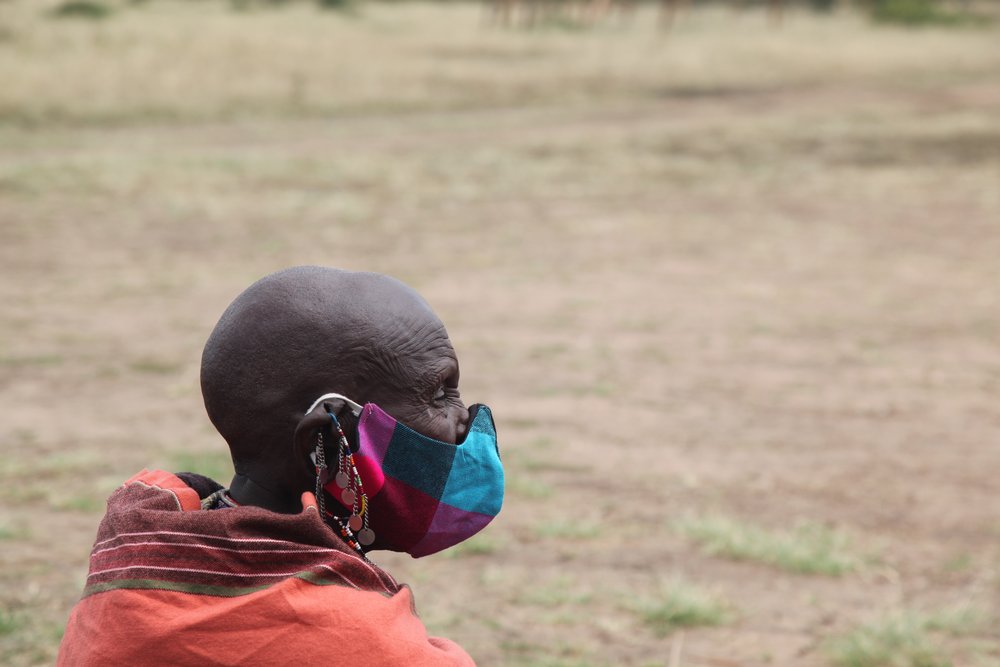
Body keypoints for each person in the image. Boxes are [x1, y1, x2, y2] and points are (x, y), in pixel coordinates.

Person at [57, 266, 504, 666]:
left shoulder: (131, 574)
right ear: (326, 439)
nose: (464, 419)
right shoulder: (366, 648)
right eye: (440, 393)